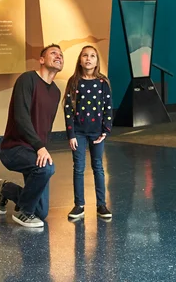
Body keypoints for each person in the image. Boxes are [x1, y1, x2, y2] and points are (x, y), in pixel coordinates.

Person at [0, 44, 64, 228]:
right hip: (14, 148)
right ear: (41, 60)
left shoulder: (56, 92)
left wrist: (42, 149)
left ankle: (6, 189)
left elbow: (45, 127)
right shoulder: (27, 79)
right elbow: (21, 117)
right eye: (53, 53)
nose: (59, 56)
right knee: (47, 169)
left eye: (61, 54)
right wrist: (40, 147)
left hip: (34, 151)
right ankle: (22, 213)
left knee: (41, 212)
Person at [63, 45, 113, 222]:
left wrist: (106, 130)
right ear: (80, 59)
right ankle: (79, 205)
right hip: (79, 133)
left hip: (97, 134)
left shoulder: (102, 82)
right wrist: (71, 134)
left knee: (98, 167)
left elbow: (108, 106)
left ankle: (101, 204)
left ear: (97, 61)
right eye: (85, 55)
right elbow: (68, 108)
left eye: (92, 56)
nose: (88, 59)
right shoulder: (74, 81)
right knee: (79, 168)